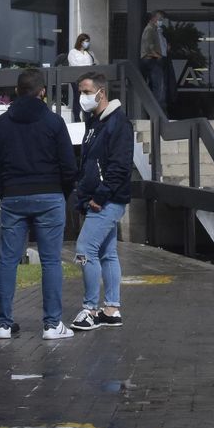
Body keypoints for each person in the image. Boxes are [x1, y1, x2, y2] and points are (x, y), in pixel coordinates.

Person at [0, 68, 76, 341]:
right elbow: (69, 166)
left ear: (17, 91)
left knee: (8, 262)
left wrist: (4, 190)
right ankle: (51, 325)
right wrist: (60, 191)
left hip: (13, 197)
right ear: (43, 92)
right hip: (50, 196)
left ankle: (1, 324)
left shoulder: (0, 124)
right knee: (51, 262)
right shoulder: (54, 122)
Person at [69, 71, 133, 331]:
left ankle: (90, 309)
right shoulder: (94, 122)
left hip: (106, 200)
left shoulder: (117, 124)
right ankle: (112, 309)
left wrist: (100, 195)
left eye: (86, 92)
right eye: (81, 92)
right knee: (107, 254)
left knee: (84, 250)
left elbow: (120, 165)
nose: (82, 97)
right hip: (98, 199)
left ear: (101, 92)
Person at [139, 11, 173, 109]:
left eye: (162, 19)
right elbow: (148, 46)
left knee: (159, 85)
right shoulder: (149, 29)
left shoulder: (157, 30)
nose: (161, 21)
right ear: (153, 18)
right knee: (159, 86)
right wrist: (157, 55)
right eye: (159, 19)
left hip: (155, 59)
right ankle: (158, 108)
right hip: (151, 59)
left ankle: (158, 107)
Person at [66, 33, 95, 121]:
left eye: (88, 42)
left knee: (87, 97)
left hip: (87, 79)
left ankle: (87, 117)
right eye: (86, 41)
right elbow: (74, 64)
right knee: (77, 97)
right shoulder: (73, 52)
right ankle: (76, 118)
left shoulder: (88, 53)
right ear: (80, 41)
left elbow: (90, 65)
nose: (87, 43)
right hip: (76, 79)